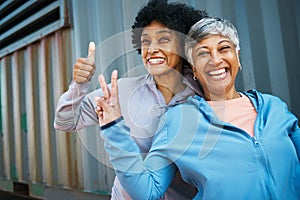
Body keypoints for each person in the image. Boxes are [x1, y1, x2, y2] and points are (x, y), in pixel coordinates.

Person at [95, 17, 300, 199]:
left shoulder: (274, 108)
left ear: (237, 57)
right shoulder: (180, 120)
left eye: (223, 49)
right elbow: (147, 191)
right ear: (193, 68)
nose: (215, 60)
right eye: (203, 53)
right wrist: (114, 128)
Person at [54, 0, 208, 199]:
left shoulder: (203, 95)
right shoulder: (122, 91)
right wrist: (79, 84)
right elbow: (65, 121)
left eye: (163, 40)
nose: (151, 49)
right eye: (145, 41)